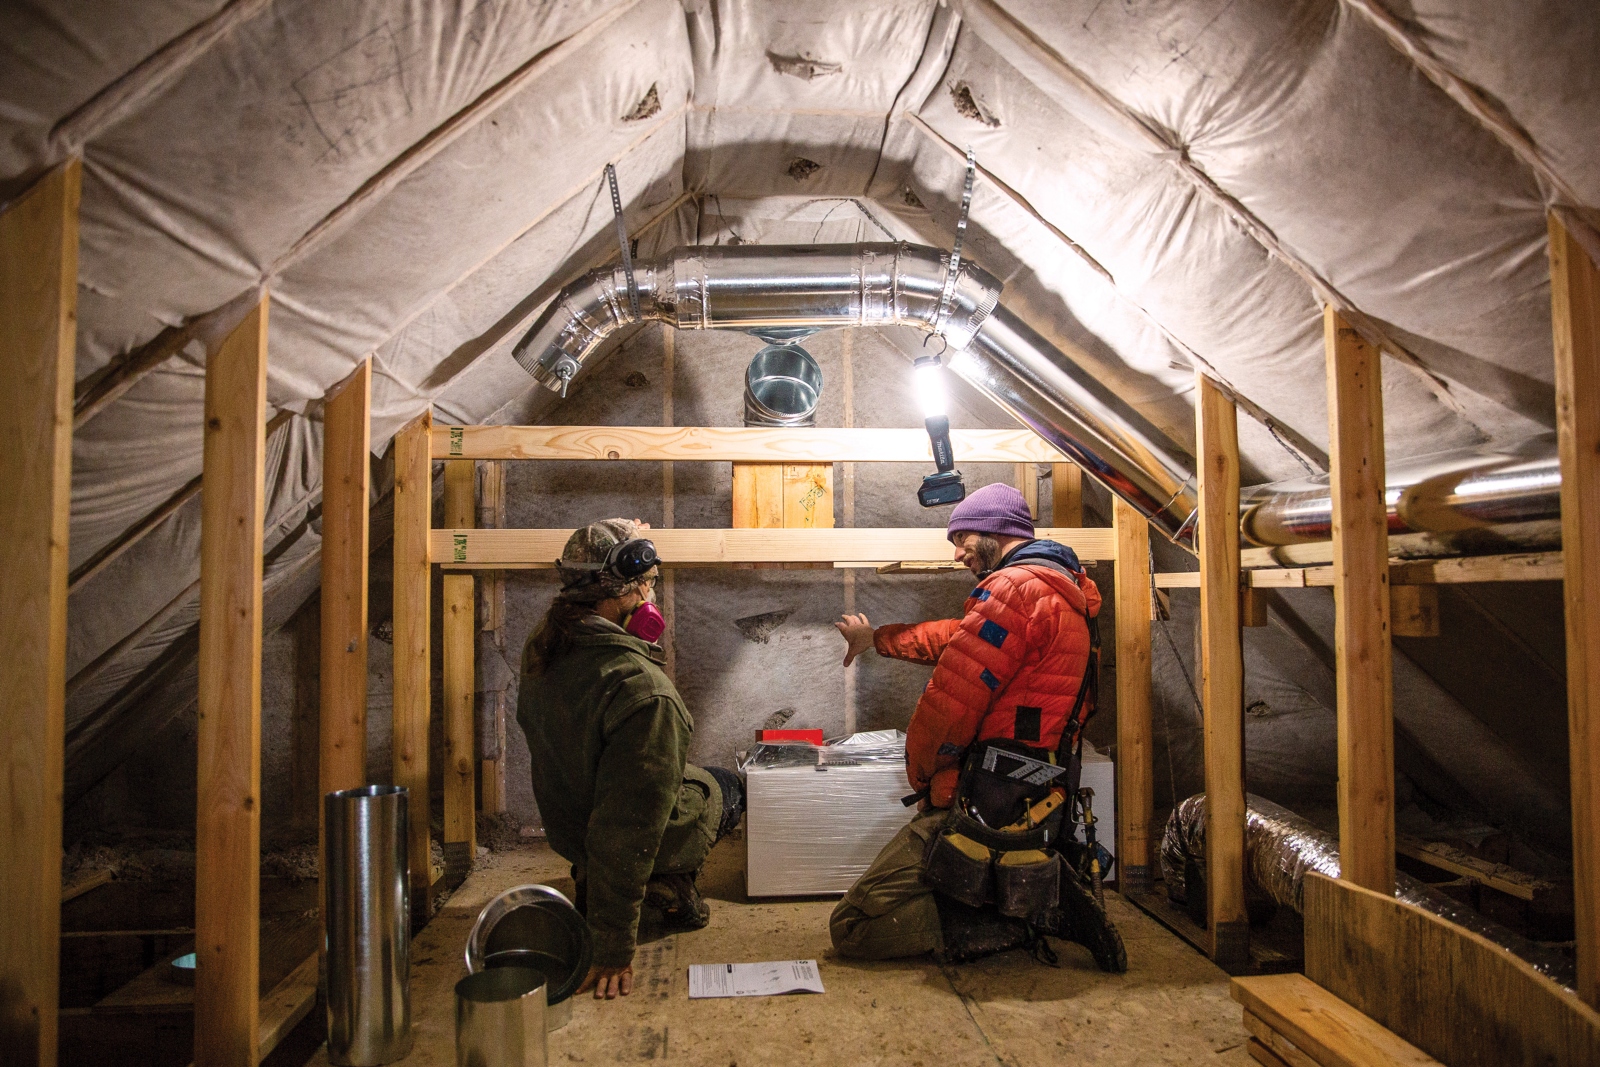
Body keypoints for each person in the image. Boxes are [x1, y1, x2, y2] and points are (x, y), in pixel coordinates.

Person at [829, 483, 1127, 970]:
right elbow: (959, 638)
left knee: (853, 928)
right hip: (1034, 794)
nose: (957, 552)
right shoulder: (1063, 592)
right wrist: (878, 639)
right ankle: (1028, 899)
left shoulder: (1011, 590)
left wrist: (924, 775)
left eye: (962, 537)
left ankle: (1016, 920)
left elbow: (949, 707)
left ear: (995, 530)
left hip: (980, 799)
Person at [518, 519, 744, 1000]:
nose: (651, 597)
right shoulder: (642, 692)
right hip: (612, 836)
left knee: (653, 784)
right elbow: (627, 830)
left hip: (571, 829)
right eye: (646, 585)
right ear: (619, 595)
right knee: (725, 787)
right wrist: (611, 946)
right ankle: (670, 883)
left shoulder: (545, 646)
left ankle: (592, 876)